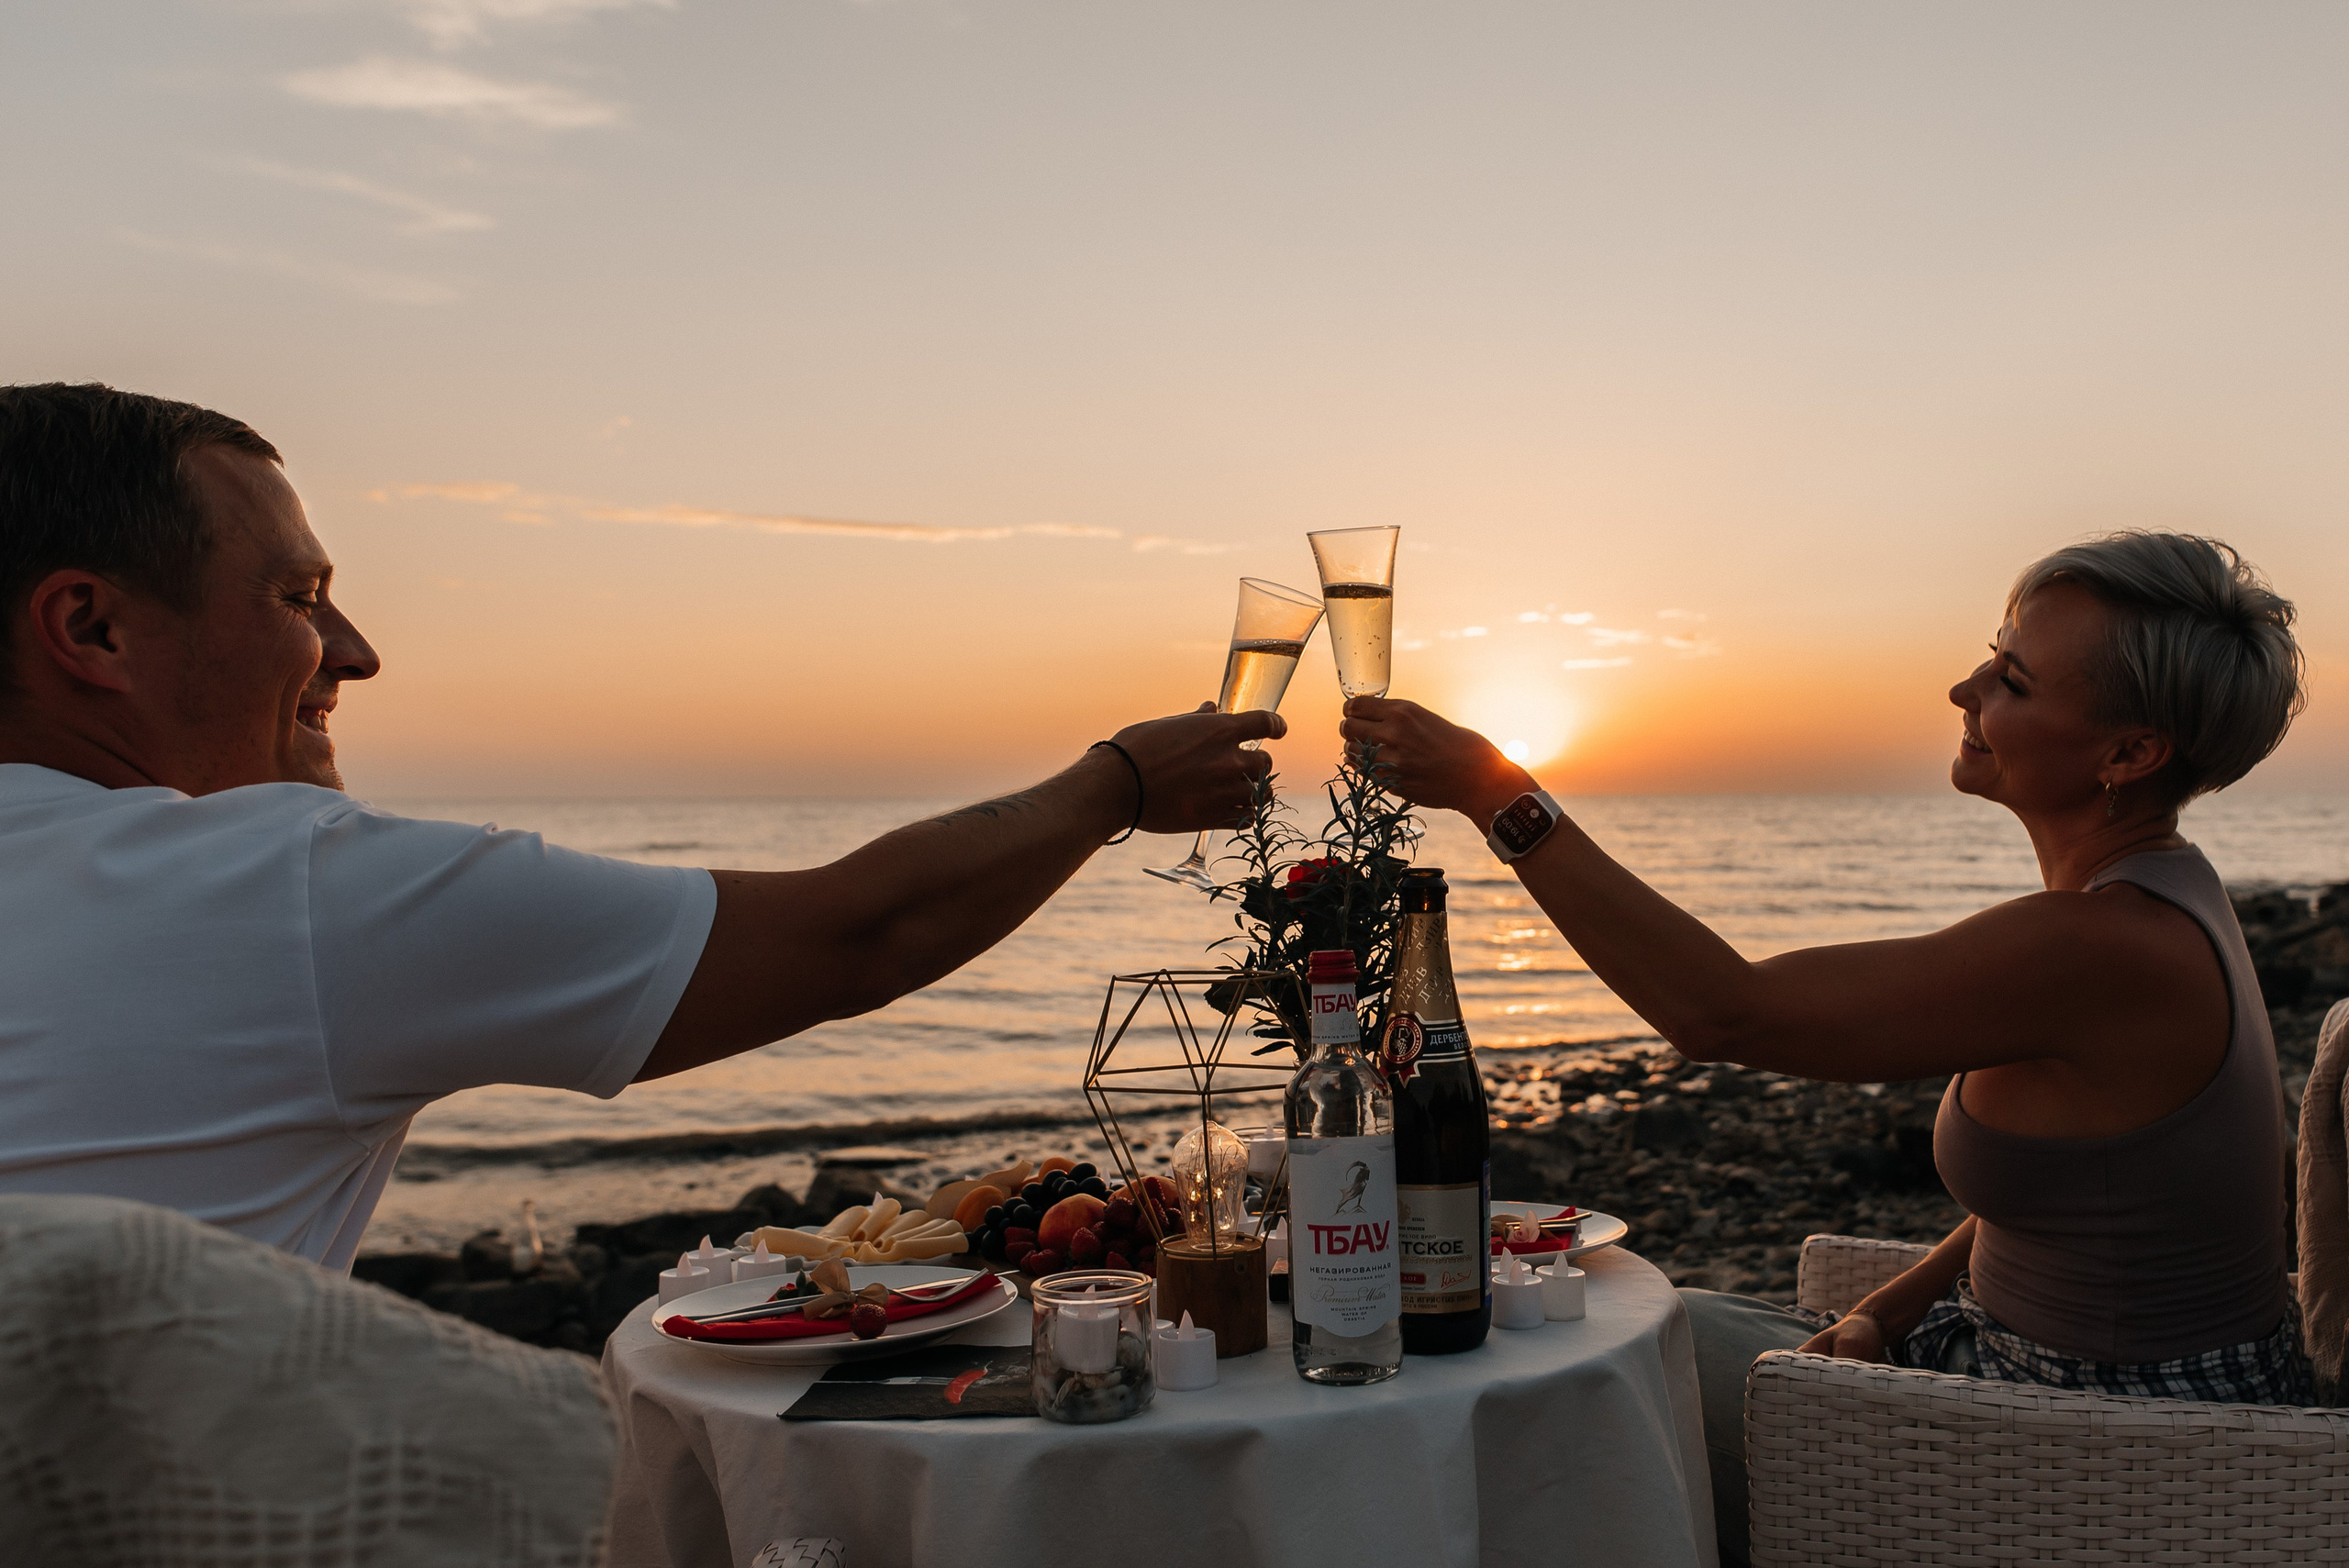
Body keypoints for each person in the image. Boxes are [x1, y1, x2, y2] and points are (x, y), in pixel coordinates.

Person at [0, 382, 1277, 1270]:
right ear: (93, 630)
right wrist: (1118, 783)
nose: (356, 652)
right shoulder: (276, 890)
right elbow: (859, 934)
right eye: (298, 594)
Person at [1341, 531, 2308, 1564]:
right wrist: (1886, 1310)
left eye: (2011, 677)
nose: (1962, 685)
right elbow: (2087, 1204)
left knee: (1563, 1374)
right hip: (2040, 1376)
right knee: (1645, 1317)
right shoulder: (2156, 899)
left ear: (2128, 753)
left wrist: (1498, 793)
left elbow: (1726, 1012)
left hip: (2094, 1453)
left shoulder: (2098, 945)